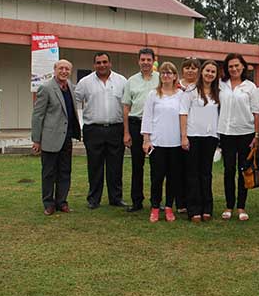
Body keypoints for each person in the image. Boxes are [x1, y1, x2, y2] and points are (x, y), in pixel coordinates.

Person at [74, 51, 128, 209]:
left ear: (110, 63)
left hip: (115, 129)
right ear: (94, 65)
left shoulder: (121, 81)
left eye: (105, 62)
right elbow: (74, 101)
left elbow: (126, 105)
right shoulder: (85, 82)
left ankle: (116, 198)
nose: (102, 65)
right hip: (93, 129)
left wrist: (126, 131)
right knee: (94, 165)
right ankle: (93, 199)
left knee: (115, 166)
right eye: (98, 62)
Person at [31, 59, 81, 215]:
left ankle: (62, 202)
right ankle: (48, 203)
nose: (64, 71)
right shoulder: (46, 88)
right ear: (55, 69)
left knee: (65, 171)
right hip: (49, 138)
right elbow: (38, 115)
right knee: (49, 173)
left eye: (67, 69)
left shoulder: (71, 87)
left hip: (67, 138)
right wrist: (36, 140)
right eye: (61, 68)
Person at [218, 53, 259, 221]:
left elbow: (256, 112)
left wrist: (257, 135)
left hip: (246, 133)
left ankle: (241, 207)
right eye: (230, 66)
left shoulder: (250, 87)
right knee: (229, 170)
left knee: (244, 171)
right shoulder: (221, 85)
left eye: (237, 65)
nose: (234, 69)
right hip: (226, 133)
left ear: (243, 66)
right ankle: (229, 206)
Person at [142, 62, 184, 223]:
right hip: (157, 143)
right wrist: (146, 140)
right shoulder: (153, 94)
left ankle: (168, 207)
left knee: (173, 178)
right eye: (163, 73)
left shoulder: (181, 95)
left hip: (175, 143)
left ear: (175, 76)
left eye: (169, 73)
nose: (166, 75)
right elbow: (147, 118)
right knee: (157, 177)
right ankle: (154, 207)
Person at [180, 60, 221, 223]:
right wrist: (184, 136)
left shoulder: (218, 92)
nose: (209, 74)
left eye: (213, 71)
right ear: (201, 72)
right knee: (192, 174)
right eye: (207, 71)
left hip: (210, 137)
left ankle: (207, 208)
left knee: (206, 174)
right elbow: (183, 113)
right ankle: (194, 209)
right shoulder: (190, 91)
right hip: (193, 136)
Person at [122, 48, 160, 213]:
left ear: (153, 61)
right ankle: (137, 201)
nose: (145, 62)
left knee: (156, 166)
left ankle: (155, 201)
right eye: (142, 59)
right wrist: (126, 132)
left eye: (148, 60)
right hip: (136, 124)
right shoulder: (131, 81)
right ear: (138, 61)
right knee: (137, 166)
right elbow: (126, 107)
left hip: (156, 127)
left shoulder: (161, 78)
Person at [174, 57, 200, 213]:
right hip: (174, 132)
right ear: (182, 69)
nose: (190, 70)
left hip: (195, 133)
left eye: (194, 68)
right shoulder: (175, 86)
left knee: (192, 169)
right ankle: (180, 202)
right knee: (178, 169)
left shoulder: (201, 87)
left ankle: (193, 200)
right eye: (187, 67)